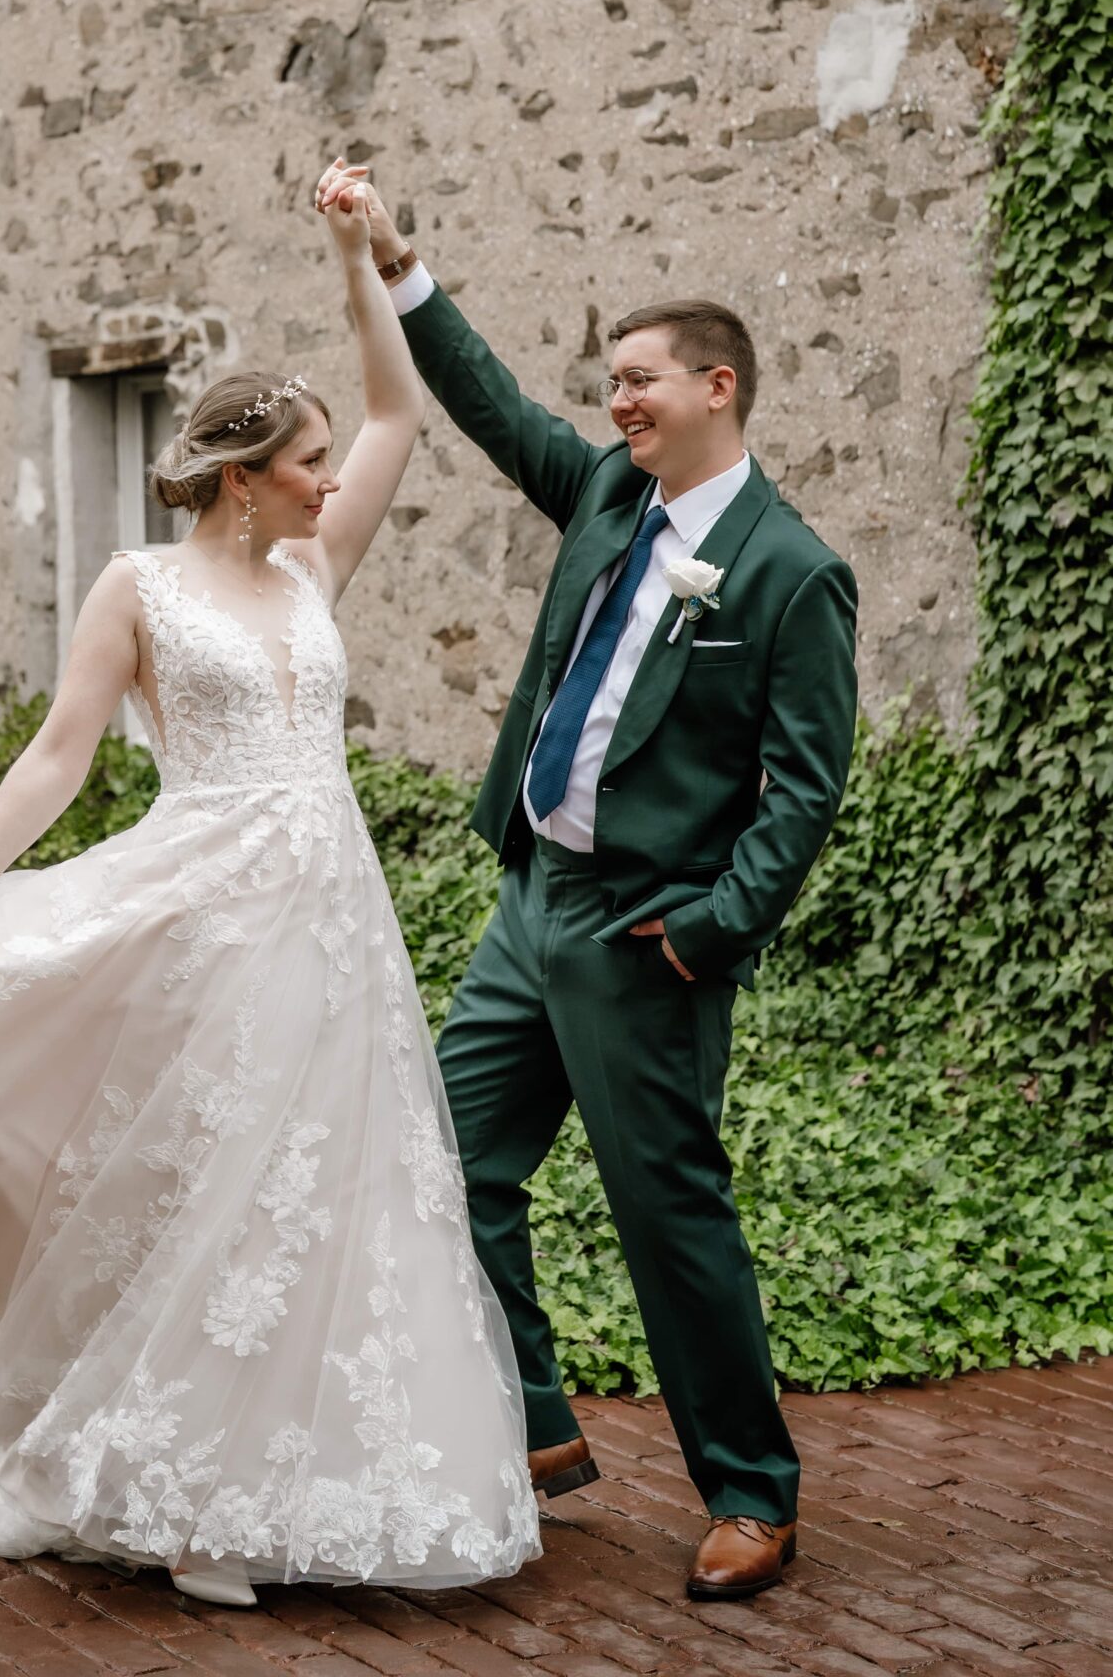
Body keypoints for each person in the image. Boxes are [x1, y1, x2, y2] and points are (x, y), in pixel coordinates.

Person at [0, 181, 538, 1605]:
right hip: (204, 904)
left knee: (322, 1196)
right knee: (210, 1188)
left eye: (329, 462)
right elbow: (59, 754)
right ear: (245, 473)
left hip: (333, 915)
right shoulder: (138, 589)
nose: (334, 479)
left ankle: (260, 1480)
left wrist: (358, 259)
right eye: (308, 461)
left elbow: (401, 417)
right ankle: (155, 1497)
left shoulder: (317, 565)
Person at [316, 156, 858, 1605]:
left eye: (643, 382)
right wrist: (394, 259)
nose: (618, 403)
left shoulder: (789, 573)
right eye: (613, 382)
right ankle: (542, 1425)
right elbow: (493, 406)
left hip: (645, 939)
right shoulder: (613, 497)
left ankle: (753, 1493)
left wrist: (711, 934)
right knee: (448, 1170)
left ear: (720, 389)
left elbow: (804, 791)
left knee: (669, 1220)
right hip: (530, 907)